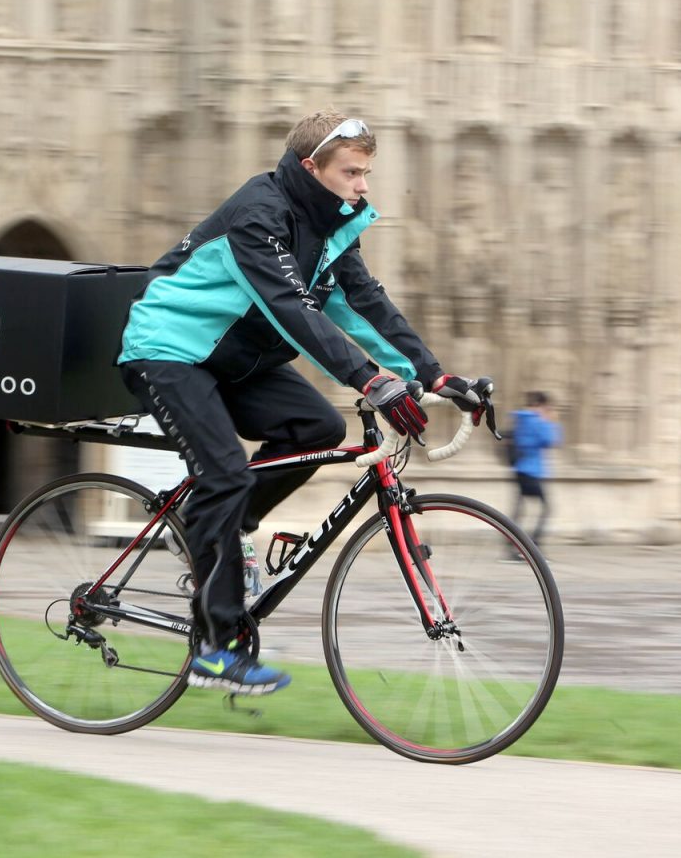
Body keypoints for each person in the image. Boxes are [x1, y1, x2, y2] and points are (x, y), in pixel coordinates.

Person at [118, 111, 484, 695]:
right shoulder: (257, 215)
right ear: (312, 168)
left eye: (366, 172)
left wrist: (435, 376)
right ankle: (213, 648)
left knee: (315, 426)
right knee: (225, 474)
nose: (363, 185)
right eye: (352, 172)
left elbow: (364, 303)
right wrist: (371, 381)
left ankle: (222, 530)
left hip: (238, 359)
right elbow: (291, 306)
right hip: (170, 351)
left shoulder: (331, 225)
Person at [509, 391, 561, 554]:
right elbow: (551, 440)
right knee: (546, 508)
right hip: (532, 471)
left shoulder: (521, 419)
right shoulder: (536, 421)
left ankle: (511, 547)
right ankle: (533, 547)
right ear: (541, 406)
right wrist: (550, 422)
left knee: (520, 509)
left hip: (520, 469)